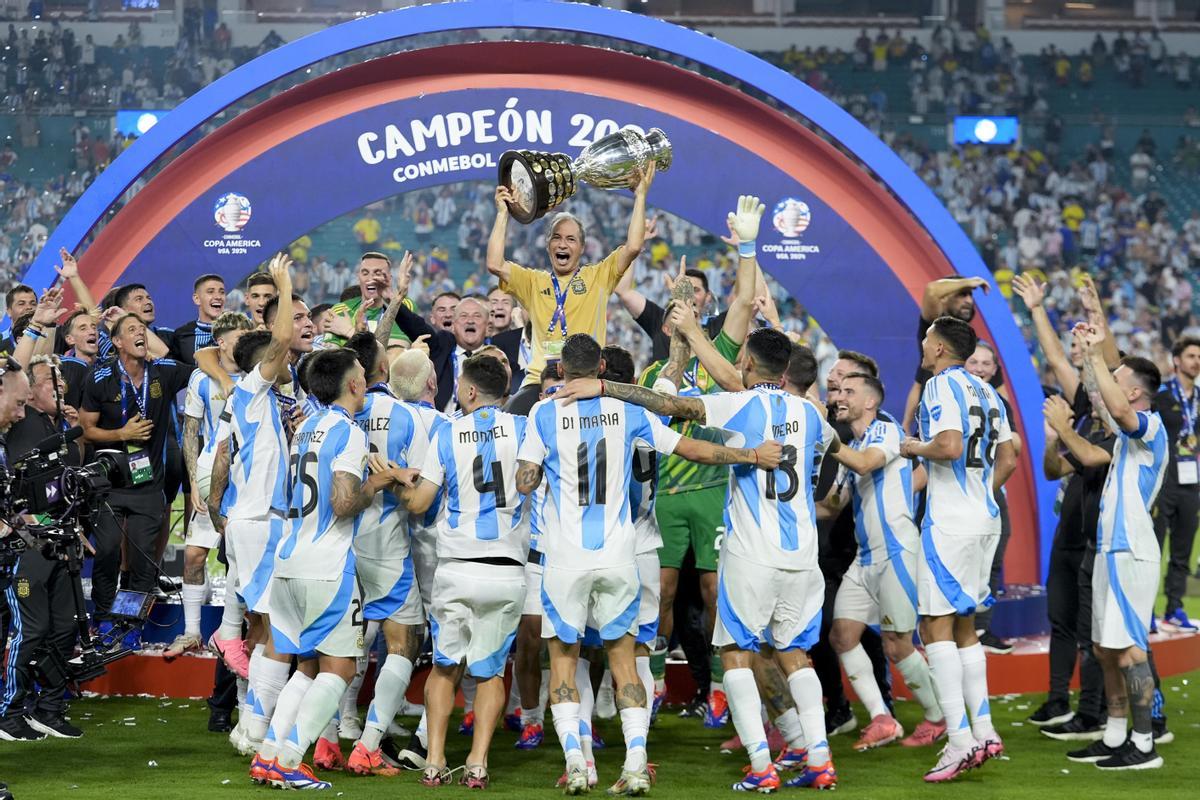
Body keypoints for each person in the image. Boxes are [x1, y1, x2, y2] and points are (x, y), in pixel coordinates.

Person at [551, 329, 813, 794]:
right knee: (628, 651)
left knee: (572, 657)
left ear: (560, 371)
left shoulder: (541, 413)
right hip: (635, 548)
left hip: (567, 555)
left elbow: (527, 478)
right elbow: (679, 414)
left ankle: (582, 756)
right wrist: (684, 338)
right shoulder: (638, 411)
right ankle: (638, 754)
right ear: (607, 372)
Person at [250, 347, 403, 791]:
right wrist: (376, 481)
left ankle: (269, 754)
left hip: (288, 561)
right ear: (355, 384)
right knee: (341, 669)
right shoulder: (349, 432)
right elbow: (342, 502)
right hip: (327, 565)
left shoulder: (306, 427)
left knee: (307, 666)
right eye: (362, 373)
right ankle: (293, 760)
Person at [400, 354, 528, 789]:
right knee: (490, 672)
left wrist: (400, 482)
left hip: (456, 567)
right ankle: (477, 762)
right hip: (507, 569)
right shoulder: (525, 430)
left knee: (445, 666)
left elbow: (419, 504)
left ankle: (434, 760)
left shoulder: (448, 433)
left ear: (470, 391)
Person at [899, 315, 1017, 783]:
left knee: (934, 627)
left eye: (927, 340)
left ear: (942, 350)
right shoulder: (989, 391)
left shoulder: (941, 385)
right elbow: (1008, 456)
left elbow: (948, 445)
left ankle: (959, 739)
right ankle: (985, 730)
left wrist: (913, 447)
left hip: (950, 522)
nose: (923, 346)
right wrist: (981, 495)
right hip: (984, 517)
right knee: (965, 625)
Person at [820, 371, 947, 751]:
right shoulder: (853, 445)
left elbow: (865, 464)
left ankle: (938, 717)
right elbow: (832, 506)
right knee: (842, 636)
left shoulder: (886, 432)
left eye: (849, 392)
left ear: (870, 402)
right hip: (865, 558)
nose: (840, 397)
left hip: (897, 553)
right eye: (838, 391)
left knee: (896, 644)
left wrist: (825, 437)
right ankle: (882, 719)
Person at [208, 256, 303, 754]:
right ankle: (257, 728)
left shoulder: (253, 401)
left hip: (249, 522)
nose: (285, 360)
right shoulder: (253, 386)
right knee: (278, 628)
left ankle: (249, 721)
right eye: (276, 357)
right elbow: (282, 341)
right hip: (262, 524)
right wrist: (284, 289)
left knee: (265, 625)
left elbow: (225, 456)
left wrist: (220, 511)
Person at [1067, 323, 1167, 770]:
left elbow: (1121, 414)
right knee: (1106, 650)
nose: (1111, 387)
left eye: (1119, 379)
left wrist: (1095, 353)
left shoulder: (1150, 427)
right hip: (1111, 550)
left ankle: (1144, 745)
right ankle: (1114, 734)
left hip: (1132, 551)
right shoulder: (1128, 432)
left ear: (1134, 394)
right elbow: (1099, 396)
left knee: (1130, 651)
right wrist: (1089, 356)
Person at [488, 160, 655, 415]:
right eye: (556, 237)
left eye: (570, 239)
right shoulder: (534, 281)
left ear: (582, 248)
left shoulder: (598, 277)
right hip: (539, 382)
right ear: (548, 246)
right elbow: (495, 264)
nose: (562, 244)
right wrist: (502, 214)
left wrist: (640, 196)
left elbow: (633, 247)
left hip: (585, 381)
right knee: (508, 422)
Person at [335, 332, 425, 777]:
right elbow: (421, 485)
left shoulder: (326, 418)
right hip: (387, 546)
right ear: (381, 369)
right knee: (402, 644)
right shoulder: (405, 415)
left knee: (338, 646)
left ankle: (329, 740)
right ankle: (369, 745)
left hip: (337, 546)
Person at [79, 312, 193, 625]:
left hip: (148, 487)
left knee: (143, 562)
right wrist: (121, 435)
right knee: (107, 553)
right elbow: (86, 429)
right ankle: (102, 618)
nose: (140, 333)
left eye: (142, 328)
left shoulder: (164, 373)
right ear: (117, 342)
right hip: (110, 488)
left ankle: (129, 625)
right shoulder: (100, 379)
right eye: (132, 330)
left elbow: (203, 366)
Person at [0, 355, 82, 742]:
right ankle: (9, 711)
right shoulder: (18, 432)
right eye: (18, 403)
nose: (20, 413)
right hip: (22, 556)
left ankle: (45, 708)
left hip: (40, 546)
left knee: (58, 627)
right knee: (29, 629)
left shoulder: (52, 429)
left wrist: (35, 525)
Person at [165, 312, 253, 659]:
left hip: (246, 479)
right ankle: (190, 632)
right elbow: (190, 433)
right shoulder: (202, 379)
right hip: (209, 473)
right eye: (239, 336)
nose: (245, 340)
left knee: (240, 560)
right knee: (193, 555)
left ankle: (237, 634)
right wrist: (195, 483)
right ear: (222, 342)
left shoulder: (255, 375)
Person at [1154, 336, 1199, 632]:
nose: (1197, 361)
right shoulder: (1160, 395)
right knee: (1152, 549)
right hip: (1163, 482)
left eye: (1199, 357)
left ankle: (1174, 608)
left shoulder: (1199, 398)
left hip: (1191, 483)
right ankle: (1145, 612)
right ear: (1177, 361)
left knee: (1182, 551)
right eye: (1191, 356)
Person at [324, 252, 410, 347]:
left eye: (378, 273)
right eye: (365, 273)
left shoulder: (403, 306)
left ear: (389, 278)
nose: (370, 278)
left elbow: (394, 355)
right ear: (358, 277)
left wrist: (351, 332)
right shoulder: (340, 310)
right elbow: (331, 358)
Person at [170, 273, 227, 365]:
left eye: (222, 292)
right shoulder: (182, 335)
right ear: (197, 299)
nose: (218, 297)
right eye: (210, 292)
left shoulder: (237, 331)